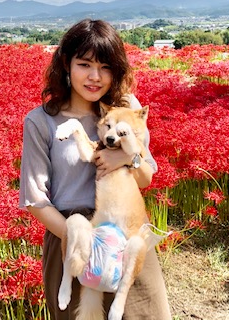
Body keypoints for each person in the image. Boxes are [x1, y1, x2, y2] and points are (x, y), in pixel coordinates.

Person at [19, 19, 171, 319]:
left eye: (105, 67)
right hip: (71, 237)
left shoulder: (125, 108)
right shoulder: (41, 121)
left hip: (127, 232)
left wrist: (128, 159)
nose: (95, 77)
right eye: (85, 64)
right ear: (66, 63)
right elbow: (36, 200)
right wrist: (81, 242)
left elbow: (146, 177)